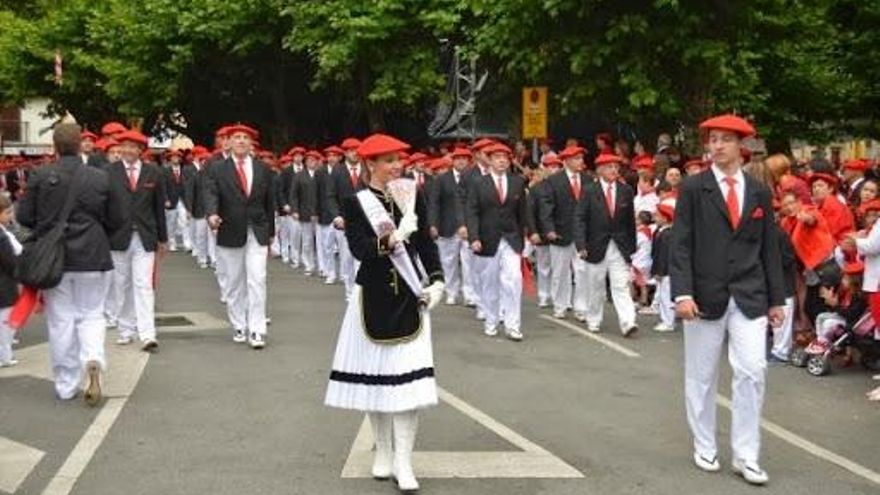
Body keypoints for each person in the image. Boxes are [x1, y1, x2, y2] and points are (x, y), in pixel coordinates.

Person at [324, 133, 445, 494]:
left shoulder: (413, 195)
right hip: (372, 297)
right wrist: (392, 239)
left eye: (399, 160)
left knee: (408, 384)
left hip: (409, 296)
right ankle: (385, 451)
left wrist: (436, 280)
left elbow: (424, 242)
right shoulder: (356, 201)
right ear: (371, 165)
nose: (397, 166)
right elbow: (360, 249)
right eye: (389, 161)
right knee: (376, 377)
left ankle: (404, 463)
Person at [671, 114, 785, 485]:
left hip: (750, 294)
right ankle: (705, 444)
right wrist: (682, 292)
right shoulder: (693, 187)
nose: (715, 146)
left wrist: (776, 299)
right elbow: (681, 243)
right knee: (702, 376)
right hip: (705, 294)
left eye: (724, 140)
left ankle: (746, 455)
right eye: (712, 139)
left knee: (753, 370)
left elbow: (769, 247)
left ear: (742, 147)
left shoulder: (759, 192)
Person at [17, 121, 123, 404]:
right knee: (92, 313)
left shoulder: (41, 175)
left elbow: (25, 216)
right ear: (80, 145)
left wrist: (47, 225)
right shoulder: (100, 177)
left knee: (61, 319)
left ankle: (66, 383)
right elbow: (117, 218)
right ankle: (93, 357)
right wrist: (100, 235)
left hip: (56, 258)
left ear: (54, 146)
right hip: (93, 255)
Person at [205, 124, 275, 349]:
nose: (241, 141)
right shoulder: (217, 169)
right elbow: (211, 193)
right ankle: (238, 324)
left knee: (257, 280)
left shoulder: (263, 168)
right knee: (234, 282)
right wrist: (212, 214)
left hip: (257, 229)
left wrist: (271, 232)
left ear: (252, 143)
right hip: (229, 229)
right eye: (237, 137)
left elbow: (269, 202)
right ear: (229, 142)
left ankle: (257, 329)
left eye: (246, 138)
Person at [107, 129, 168, 352]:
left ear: (141, 150)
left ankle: (148, 333)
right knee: (121, 284)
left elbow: (158, 207)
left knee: (144, 284)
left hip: (145, 236)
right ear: (120, 149)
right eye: (125, 146)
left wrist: (163, 238)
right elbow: (104, 207)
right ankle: (125, 329)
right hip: (117, 236)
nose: (129, 150)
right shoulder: (109, 172)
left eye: (134, 147)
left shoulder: (153, 173)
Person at [466, 142, 533, 340]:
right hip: (487, 239)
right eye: (497, 157)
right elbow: (472, 211)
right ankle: (491, 320)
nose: (502, 161)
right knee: (489, 282)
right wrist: (474, 237)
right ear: (490, 160)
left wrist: (528, 236)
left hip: (511, 238)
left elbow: (523, 212)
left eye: (505, 157)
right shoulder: (479, 183)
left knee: (513, 280)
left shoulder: (517, 182)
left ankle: (513, 325)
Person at [574, 152, 638, 336]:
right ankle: (594, 318)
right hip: (595, 245)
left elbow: (629, 222)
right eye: (609, 167)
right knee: (596, 285)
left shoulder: (625, 190)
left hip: (619, 246)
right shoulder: (589, 190)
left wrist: (631, 248)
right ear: (599, 170)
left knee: (621, 285)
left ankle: (628, 321)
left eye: (616, 167)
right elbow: (580, 218)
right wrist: (581, 244)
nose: (614, 170)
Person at [540, 145, 590, 321]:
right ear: (567, 161)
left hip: (583, 234)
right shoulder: (554, 181)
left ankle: (581, 307)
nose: (581, 162)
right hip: (561, 232)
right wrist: (549, 229)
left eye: (581, 159)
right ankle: (560, 305)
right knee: (560, 272)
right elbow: (546, 207)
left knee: (582, 270)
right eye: (577, 159)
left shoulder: (588, 180)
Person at [428, 147, 472, 305]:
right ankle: (451, 291)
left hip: (468, 227)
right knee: (448, 262)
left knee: (469, 262)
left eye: (465, 158)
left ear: (469, 161)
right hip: (446, 226)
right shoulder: (441, 179)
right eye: (458, 158)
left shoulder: (474, 178)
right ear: (452, 161)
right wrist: (433, 224)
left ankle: (469, 294)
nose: (461, 161)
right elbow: (434, 203)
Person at [327, 138, 365, 301]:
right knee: (347, 257)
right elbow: (330, 195)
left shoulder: (366, 169)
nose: (354, 153)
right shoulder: (337, 170)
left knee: (363, 257)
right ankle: (349, 291)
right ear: (345, 153)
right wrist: (336, 216)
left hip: (365, 219)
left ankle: (361, 291)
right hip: (344, 220)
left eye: (357, 150)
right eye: (350, 150)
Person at [290, 150, 321, 275]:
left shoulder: (321, 174)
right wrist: (295, 210)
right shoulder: (299, 175)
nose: (311, 162)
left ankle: (321, 266)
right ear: (306, 162)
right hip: (304, 212)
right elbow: (293, 195)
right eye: (309, 160)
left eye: (314, 160)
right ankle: (309, 264)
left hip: (320, 212)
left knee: (320, 241)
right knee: (307, 240)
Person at [0, 195, 20, 367]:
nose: (11, 216)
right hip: (4, 284)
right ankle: (5, 356)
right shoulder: (2, 236)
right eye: (7, 212)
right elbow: (9, 261)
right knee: (6, 321)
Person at [650, 196, 676, 332]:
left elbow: (664, 255)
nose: (654, 217)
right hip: (663, 270)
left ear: (665, 218)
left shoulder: (668, 235)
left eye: (658, 215)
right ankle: (665, 318)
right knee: (662, 294)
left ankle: (668, 321)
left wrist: (660, 271)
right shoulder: (660, 232)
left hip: (666, 271)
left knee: (667, 296)